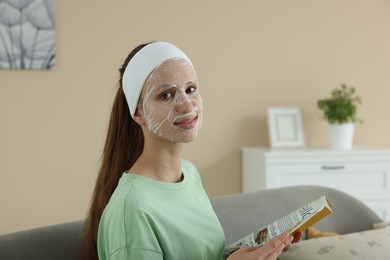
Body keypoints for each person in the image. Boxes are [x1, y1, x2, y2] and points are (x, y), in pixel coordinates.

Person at [81, 41, 302, 260]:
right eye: (166, 95)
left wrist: (257, 251)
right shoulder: (131, 211)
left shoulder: (189, 174)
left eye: (191, 89)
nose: (187, 104)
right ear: (138, 112)